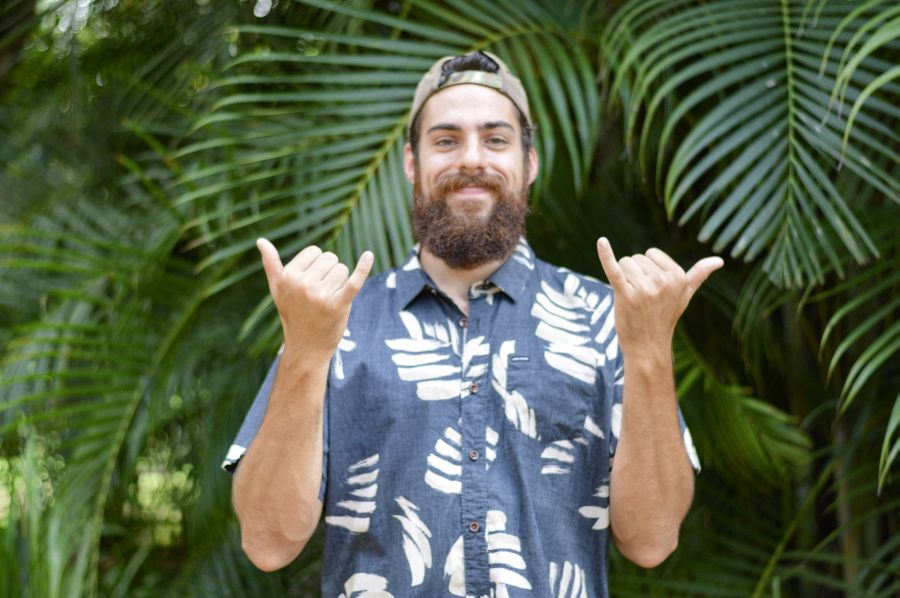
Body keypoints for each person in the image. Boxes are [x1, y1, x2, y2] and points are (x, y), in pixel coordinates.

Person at [224, 51, 722, 598]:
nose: (471, 159)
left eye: (496, 139)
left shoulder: (611, 318)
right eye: (445, 140)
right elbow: (268, 543)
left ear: (529, 163)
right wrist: (303, 351)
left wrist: (650, 349)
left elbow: (651, 540)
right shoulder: (332, 321)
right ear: (412, 164)